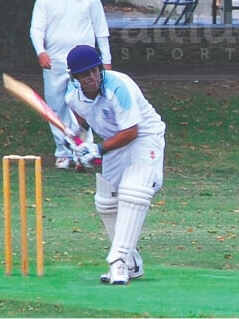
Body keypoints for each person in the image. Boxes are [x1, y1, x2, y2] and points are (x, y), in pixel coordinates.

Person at [65, 45, 166, 285]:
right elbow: (82, 122)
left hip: (144, 137)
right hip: (114, 143)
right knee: (106, 200)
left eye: (94, 71)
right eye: (84, 74)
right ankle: (131, 263)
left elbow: (132, 131)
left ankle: (118, 261)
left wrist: (98, 149)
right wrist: (78, 145)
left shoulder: (119, 86)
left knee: (135, 188)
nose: (91, 77)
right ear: (74, 77)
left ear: (100, 68)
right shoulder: (72, 96)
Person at [30, 0, 112, 169]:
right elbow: (36, 28)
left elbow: (101, 28)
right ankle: (63, 153)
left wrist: (107, 59)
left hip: (85, 64)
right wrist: (41, 51)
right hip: (54, 61)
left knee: (84, 106)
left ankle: (84, 152)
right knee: (56, 108)